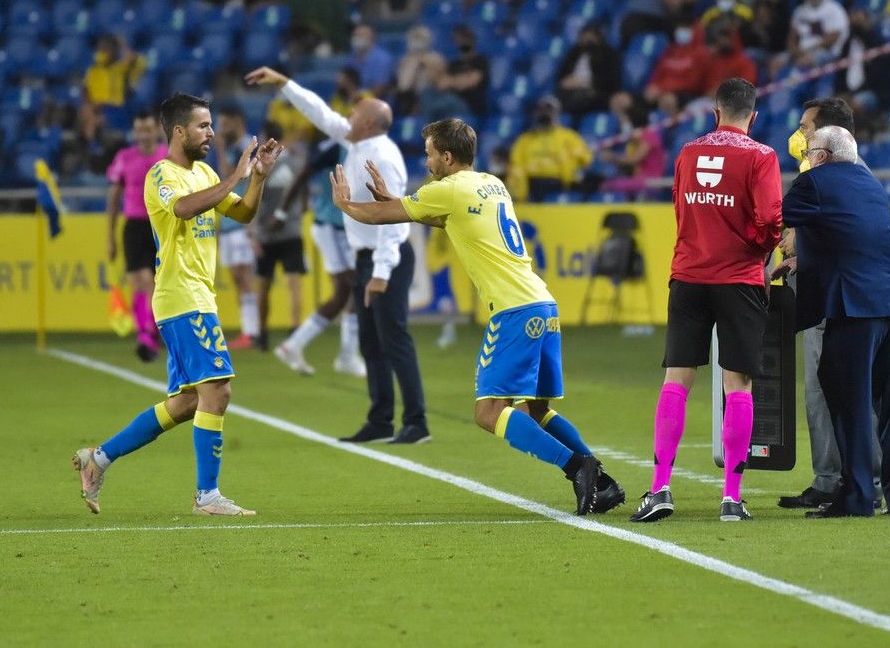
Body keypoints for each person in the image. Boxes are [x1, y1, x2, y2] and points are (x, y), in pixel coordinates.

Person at [328, 117, 626, 516]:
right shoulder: (491, 183)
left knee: (489, 413)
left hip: (513, 310)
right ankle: (602, 483)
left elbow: (382, 218)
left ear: (447, 156)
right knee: (536, 409)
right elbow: (443, 218)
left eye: (430, 153)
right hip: (543, 304)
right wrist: (393, 199)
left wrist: (347, 204)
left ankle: (578, 467)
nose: (427, 159)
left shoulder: (446, 189)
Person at [73, 92, 285, 517]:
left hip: (198, 296)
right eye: (203, 126)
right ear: (179, 131)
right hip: (180, 296)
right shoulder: (161, 176)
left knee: (189, 402)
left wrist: (257, 177)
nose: (210, 133)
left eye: (210, 125)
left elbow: (241, 214)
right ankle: (208, 496)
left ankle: (98, 458)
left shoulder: (206, 171)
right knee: (218, 391)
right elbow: (185, 209)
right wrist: (235, 175)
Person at [245, 66, 429, 444]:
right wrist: (286, 82)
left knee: (394, 339)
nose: (347, 116)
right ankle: (380, 420)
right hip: (366, 256)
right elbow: (320, 114)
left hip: (387, 257)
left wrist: (380, 273)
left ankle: (417, 423)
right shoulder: (358, 143)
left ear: (370, 124)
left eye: (356, 113)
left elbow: (394, 218)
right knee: (370, 341)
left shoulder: (383, 156)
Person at [630, 78, 782, 524]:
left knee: (677, 380)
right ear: (752, 117)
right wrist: (757, 248)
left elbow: (680, 207)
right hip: (739, 279)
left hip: (690, 275)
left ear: (715, 113)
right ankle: (731, 499)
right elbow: (771, 218)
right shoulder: (761, 155)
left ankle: (659, 489)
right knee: (738, 384)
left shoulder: (689, 152)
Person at [774, 125, 890, 518]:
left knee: (847, 399)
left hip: (854, 310)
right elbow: (852, 237)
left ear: (820, 155)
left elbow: (771, 220)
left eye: (810, 149)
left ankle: (856, 496)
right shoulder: (872, 186)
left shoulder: (814, 182)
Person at [776, 98, 883, 510]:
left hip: (842, 297)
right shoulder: (826, 173)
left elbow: (855, 235)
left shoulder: (850, 176)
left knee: (850, 389)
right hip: (822, 290)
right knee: (819, 390)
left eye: (805, 127)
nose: (798, 136)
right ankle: (830, 478)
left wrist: (804, 250)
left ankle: (865, 480)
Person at [272, 135, 365, 376]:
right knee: (355, 285)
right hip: (331, 227)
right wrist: (282, 212)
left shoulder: (365, 147)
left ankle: (293, 345)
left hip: (344, 228)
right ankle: (346, 356)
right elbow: (305, 172)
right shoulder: (338, 147)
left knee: (345, 292)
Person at [105, 112, 168, 360]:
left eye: (148, 129)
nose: (144, 134)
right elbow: (113, 199)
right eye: (139, 130)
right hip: (134, 226)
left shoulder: (167, 157)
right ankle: (146, 333)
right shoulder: (124, 158)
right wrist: (109, 237)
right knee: (139, 281)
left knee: (156, 284)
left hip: (161, 225)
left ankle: (150, 331)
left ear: (156, 131)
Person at [249, 121, 307, 345]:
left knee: (263, 287)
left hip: (267, 236)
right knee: (294, 284)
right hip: (292, 231)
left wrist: (252, 235)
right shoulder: (296, 163)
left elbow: (252, 202)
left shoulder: (261, 167)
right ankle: (295, 331)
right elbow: (304, 198)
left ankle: (262, 334)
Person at [213, 108, 263, 350]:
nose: (221, 129)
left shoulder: (248, 146)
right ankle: (248, 331)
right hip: (229, 223)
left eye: (225, 123)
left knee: (244, 277)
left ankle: (252, 332)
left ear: (237, 120)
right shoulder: (238, 147)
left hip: (242, 223)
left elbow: (231, 178)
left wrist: (220, 148)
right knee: (238, 277)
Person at [506, 96, 592, 203]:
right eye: (540, 110)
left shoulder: (569, 137)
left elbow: (585, 158)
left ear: (556, 113)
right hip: (531, 184)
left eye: (548, 109)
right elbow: (516, 163)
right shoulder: (524, 140)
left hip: (560, 182)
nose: (544, 113)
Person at [81, 34, 148, 143]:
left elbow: (140, 62)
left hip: (117, 110)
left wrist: (122, 44)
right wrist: (89, 106)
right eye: (101, 49)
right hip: (97, 108)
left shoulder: (121, 69)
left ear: (114, 50)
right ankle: (91, 148)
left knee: (93, 122)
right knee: (87, 116)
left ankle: (93, 148)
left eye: (106, 49)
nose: (103, 52)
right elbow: (85, 90)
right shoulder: (93, 70)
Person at [600, 98, 666, 200]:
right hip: (638, 178)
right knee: (607, 182)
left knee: (609, 185)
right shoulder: (636, 139)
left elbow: (634, 159)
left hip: (650, 180)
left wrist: (612, 157)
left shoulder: (649, 135)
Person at [554, 23, 621, 117]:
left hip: (595, 92)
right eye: (584, 37)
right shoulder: (573, 53)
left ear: (598, 38)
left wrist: (585, 83)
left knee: (582, 99)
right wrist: (565, 82)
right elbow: (561, 75)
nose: (587, 41)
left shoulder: (608, 55)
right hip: (571, 91)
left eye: (590, 38)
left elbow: (611, 80)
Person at [785, 0, 850, 71]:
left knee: (803, 62)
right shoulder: (799, 11)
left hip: (827, 52)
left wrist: (809, 50)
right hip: (801, 51)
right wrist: (794, 51)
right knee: (777, 62)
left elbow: (833, 38)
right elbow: (792, 37)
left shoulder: (834, 9)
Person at [437, 26, 488, 116]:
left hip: (470, 105)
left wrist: (453, 81)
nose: (462, 42)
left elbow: (471, 82)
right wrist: (461, 80)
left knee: (442, 102)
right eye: (459, 39)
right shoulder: (454, 64)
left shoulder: (480, 61)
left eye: (465, 38)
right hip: (451, 101)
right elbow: (442, 84)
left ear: (472, 40)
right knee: (429, 95)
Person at [349, 25, 394, 97]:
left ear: (372, 38)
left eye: (361, 36)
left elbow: (380, 87)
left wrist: (359, 98)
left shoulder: (382, 58)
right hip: (354, 100)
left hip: (375, 102)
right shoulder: (353, 56)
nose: (357, 38)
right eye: (355, 35)